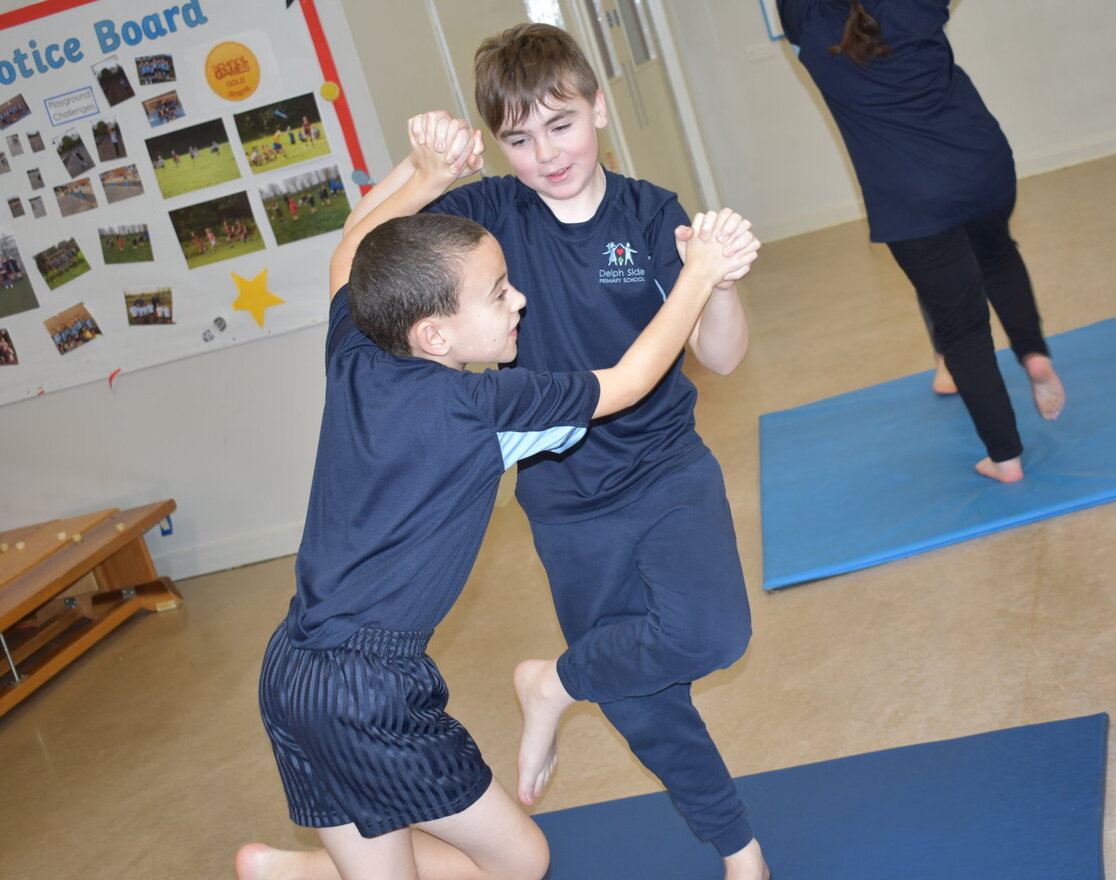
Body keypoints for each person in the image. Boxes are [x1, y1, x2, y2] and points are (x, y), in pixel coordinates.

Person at [236, 113, 758, 880]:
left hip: (291, 671)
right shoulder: (476, 408)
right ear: (437, 337)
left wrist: (425, 178)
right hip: (372, 688)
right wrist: (699, 274)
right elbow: (632, 380)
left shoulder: (357, 350)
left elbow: (350, 252)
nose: (519, 302)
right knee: (520, 861)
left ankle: (283, 872)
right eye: (499, 293)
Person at [780, 0, 1064, 484]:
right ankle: (1034, 355)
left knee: (963, 331)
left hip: (912, 199)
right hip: (982, 164)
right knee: (997, 256)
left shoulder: (805, 17)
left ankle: (1006, 458)